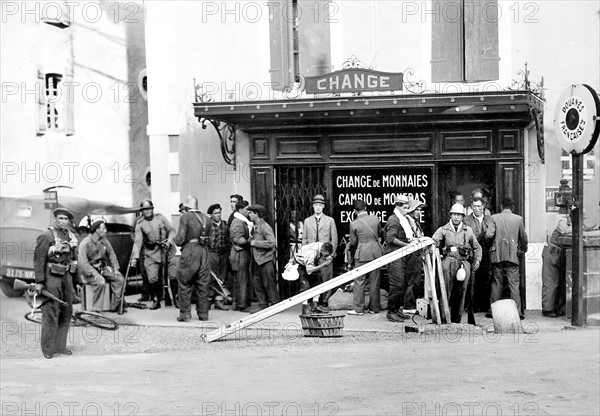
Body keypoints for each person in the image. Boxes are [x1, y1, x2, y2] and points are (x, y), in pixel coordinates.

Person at [33, 208, 78, 359]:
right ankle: (48, 349)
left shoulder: (70, 236)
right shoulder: (46, 235)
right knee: (51, 313)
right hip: (51, 278)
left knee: (66, 312)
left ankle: (60, 346)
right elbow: (39, 259)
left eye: (66, 219)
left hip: (66, 278)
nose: (63, 221)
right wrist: (39, 282)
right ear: (55, 219)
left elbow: (74, 259)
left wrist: (76, 280)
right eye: (61, 218)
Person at [432, 203, 482, 323]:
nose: (456, 217)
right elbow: (432, 243)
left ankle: (457, 320)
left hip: (463, 264)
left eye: (459, 215)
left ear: (462, 217)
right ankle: (444, 319)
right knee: (445, 291)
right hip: (447, 263)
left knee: (461, 292)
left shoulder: (467, 230)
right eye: (454, 214)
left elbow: (477, 247)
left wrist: (477, 260)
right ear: (450, 215)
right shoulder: (443, 230)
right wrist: (436, 252)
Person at [129, 199, 177, 310]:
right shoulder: (140, 224)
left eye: (149, 209)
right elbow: (138, 241)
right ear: (142, 211)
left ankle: (176, 298)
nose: (147, 211)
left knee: (173, 275)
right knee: (152, 278)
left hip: (167, 250)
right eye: (144, 210)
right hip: (152, 253)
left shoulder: (161, 218)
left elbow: (172, 231)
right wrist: (135, 257)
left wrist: (169, 242)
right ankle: (156, 300)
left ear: (152, 209)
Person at [485, 197, 528, 319]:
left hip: (497, 254)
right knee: (514, 284)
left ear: (501, 207)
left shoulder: (494, 218)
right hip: (512, 255)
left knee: (497, 282)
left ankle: (494, 312)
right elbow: (524, 238)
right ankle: (518, 313)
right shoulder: (518, 219)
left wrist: (490, 245)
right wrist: (523, 249)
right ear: (512, 207)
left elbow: (488, 235)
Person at [174, 195, 212, 321]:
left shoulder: (185, 217)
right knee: (203, 284)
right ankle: (203, 314)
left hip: (190, 250)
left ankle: (185, 314)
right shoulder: (207, 218)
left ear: (187, 206)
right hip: (204, 252)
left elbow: (180, 238)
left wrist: (176, 240)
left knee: (184, 282)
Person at [78, 219, 125, 312]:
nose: (105, 231)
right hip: (89, 271)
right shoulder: (85, 242)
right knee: (101, 282)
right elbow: (82, 262)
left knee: (119, 279)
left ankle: (115, 306)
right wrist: (95, 274)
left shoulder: (104, 240)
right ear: (96, 230)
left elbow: (111, 253)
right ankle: (96, 311)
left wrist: (115, 269)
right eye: (103, 229)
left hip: (102, 267)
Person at [347, 199, 382, 316]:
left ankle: (358, 309)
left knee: (359, 281)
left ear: (354, 211)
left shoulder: (354, 223)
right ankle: (374, 308)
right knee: (375, 281)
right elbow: (379, 233)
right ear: (365, 207)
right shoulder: (375, 218)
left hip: (362, 253)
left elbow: (353, 242)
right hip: (376, 252)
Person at [302, 194, 338, 311]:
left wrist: (331, 255)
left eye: (320, 205)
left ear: (323, 207)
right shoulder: (307, 221)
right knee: (313, 278)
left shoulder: (330, 220)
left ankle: (324, 302)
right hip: (312, 255)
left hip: (325, 255)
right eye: (316, 205)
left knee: (326, 278)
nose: (318, 207)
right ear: (313, 207)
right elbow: (305, 239)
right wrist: (305, 253)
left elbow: (334, 239)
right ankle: (312, 302)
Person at [383, 195, 414, 322]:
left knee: (402, 283)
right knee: (397, 284)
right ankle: (391, 312)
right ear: (398, 206)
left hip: (401, 256)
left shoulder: (401, 218)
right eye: (405, 207)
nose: (407, 210)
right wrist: (407, 245)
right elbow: (390, 238)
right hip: (395, 255)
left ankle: (397, 309)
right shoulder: (394, 219)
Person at [247, 204, 279, 311]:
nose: (249, 215)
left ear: (256, 214)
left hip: (266, 260)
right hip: (258, 260)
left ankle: (275, 305)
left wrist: (255, 243)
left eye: (251, 213)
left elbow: (271, 242)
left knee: (269, 284)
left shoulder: (265, 226)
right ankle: (263, 305)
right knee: (257, 283)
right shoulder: (255, 227)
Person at [463, 197, 492, 312]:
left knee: (485, 279)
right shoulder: (467, 220)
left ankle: (484, 305)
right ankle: (473, 306)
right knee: (473, 280)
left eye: (479, 206)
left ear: (483, 207)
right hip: (472, 253)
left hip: (487, 254)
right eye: (474, 206)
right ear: (471, 207)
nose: (477, 209)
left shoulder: (489, 219)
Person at [294, 242, 334, 314]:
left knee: (318, 280)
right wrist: (323, 264)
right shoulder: (312, 254)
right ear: (322, 250)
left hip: (310, 262)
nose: (326, 257)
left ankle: (315, 305)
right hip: (301, 264)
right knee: (305, 285)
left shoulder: (322, 246)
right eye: (326, 255)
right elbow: (309, 270)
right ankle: (305, 307)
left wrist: (327, 258)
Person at [229, 200, 252, 312]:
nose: (248, 211)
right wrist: (249, 241)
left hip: (241, 252)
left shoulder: (241, 220)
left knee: (240, 278)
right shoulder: (238, 221)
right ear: (240, 210)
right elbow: (237, 239)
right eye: (246, 209)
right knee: (241, 278)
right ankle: (241, 304)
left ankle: (240, 302)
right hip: (239, 252)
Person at [207, 203, 231, 310]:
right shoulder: (208, 225)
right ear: (211, 215)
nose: (218, 215)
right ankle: (208, 300)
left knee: (222, 277)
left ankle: (219, 301)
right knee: (212, 278)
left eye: (219, 212)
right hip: (212, 253)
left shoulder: (225, 225)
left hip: (223, 253)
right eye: (215, 213)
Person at [404, 199, 426, 309]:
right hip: (412, 254)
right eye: (417, 209)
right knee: (412, 281)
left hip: (417, 254)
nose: (419, 212)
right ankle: (409, 305)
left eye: (420, 210)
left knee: (415, 280)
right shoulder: (407, 221)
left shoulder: (414, 221)